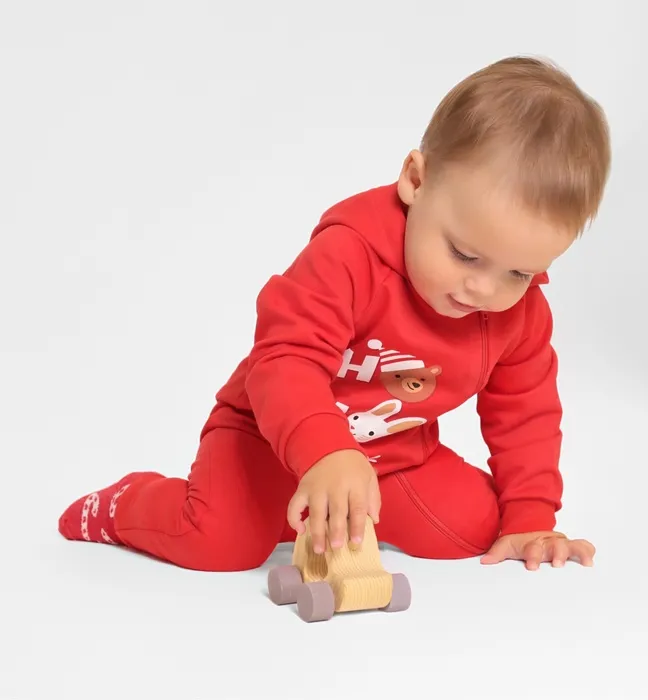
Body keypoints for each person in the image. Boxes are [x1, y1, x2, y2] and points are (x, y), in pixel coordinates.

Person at [58, 55, 611, 573]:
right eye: (464, 255)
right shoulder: (347, 256)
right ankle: (126, 506)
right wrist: (325, 452)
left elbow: (526, 411)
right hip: (267, 439)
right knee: (219, 541)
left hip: (391, 459)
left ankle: (317, 517)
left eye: (519, 272)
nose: (483, 288)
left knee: (478, 530)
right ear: (416, 181)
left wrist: (531, 517)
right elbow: (286, 360)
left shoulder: (520, 313)